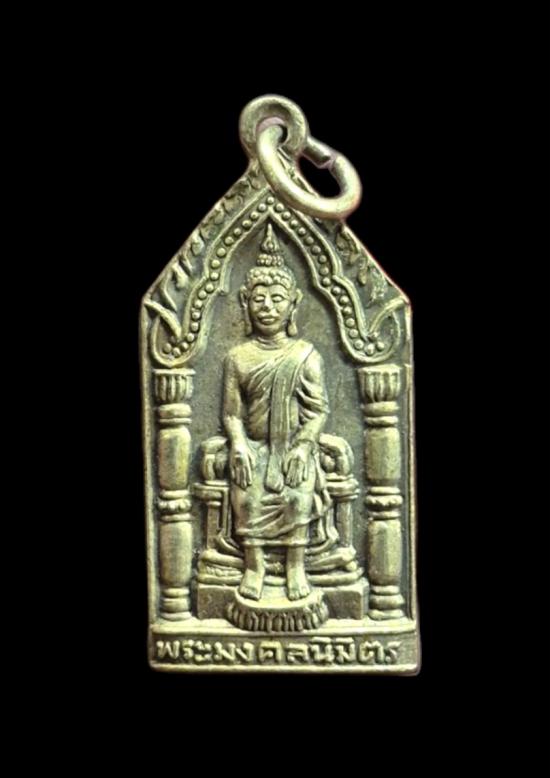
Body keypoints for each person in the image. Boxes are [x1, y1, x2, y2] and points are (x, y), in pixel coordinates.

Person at [223, 223, 330, 602]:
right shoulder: (238, 357)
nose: (267, 306)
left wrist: (303, 445)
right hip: (255, 447)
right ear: (246, 303)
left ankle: (295, 566)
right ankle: (254, 566)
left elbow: (318, 411)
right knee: (247, 496)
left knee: (297, 494)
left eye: (277, 298)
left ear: (293, 305)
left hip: (292, 447)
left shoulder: (305, 355)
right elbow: (232, 414)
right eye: (259, 299)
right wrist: (238, 444)